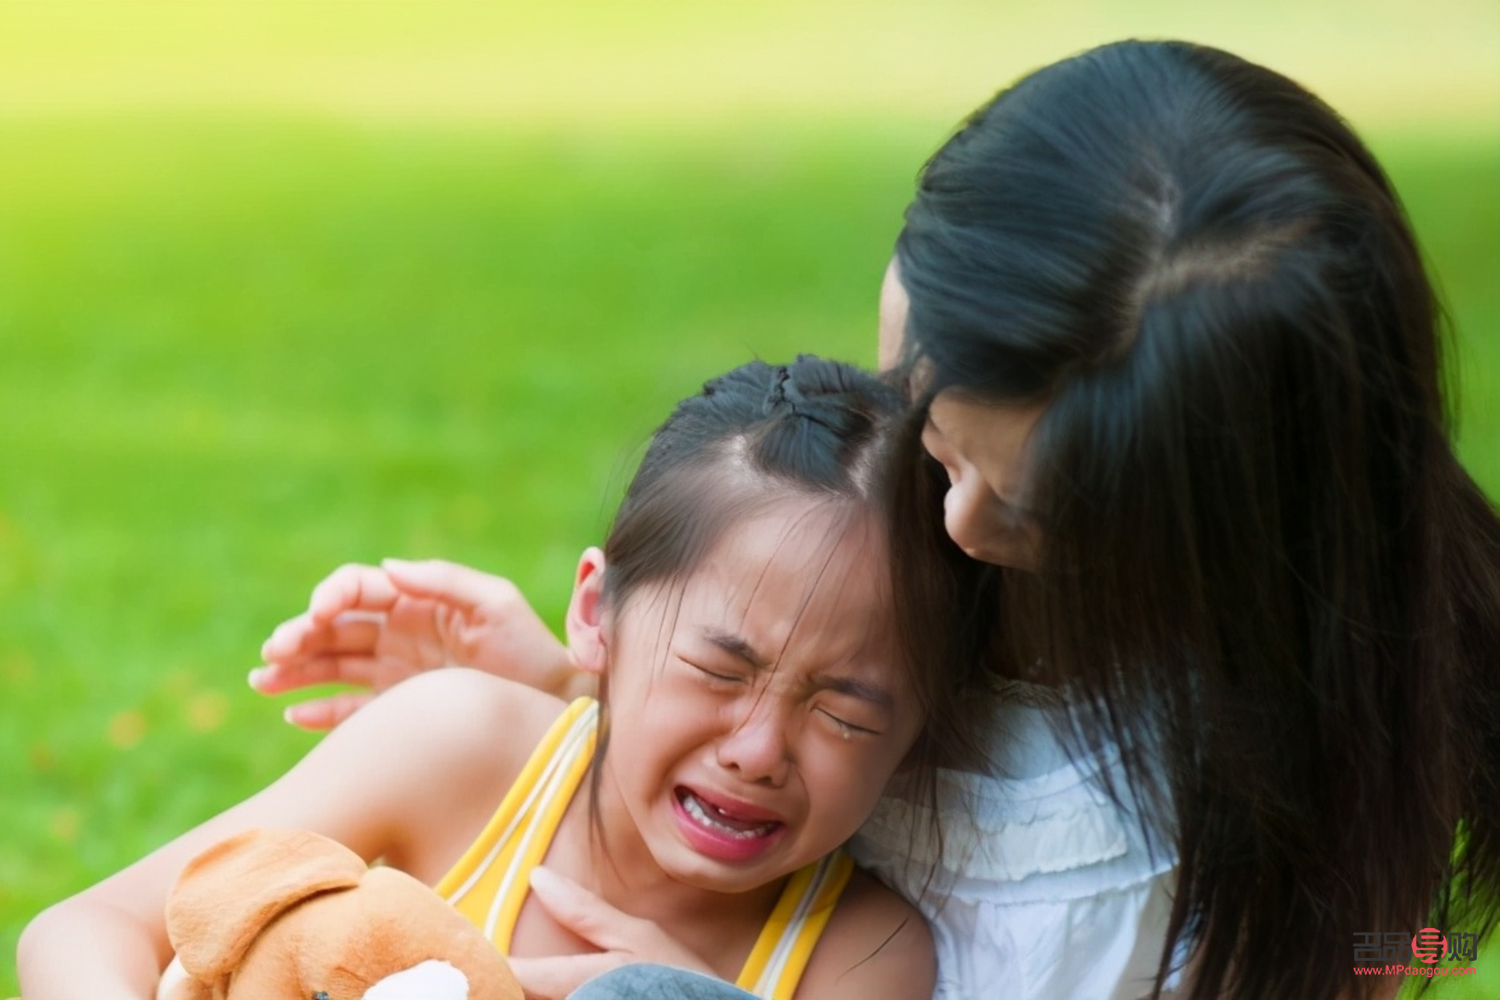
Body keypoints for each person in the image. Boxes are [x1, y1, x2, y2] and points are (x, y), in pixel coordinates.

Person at [254, 39, 1500, 1000]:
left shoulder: (1355, 685)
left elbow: (1414, 930)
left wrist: (1335, 959)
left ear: (1227, 519)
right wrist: (576, 692)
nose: (954, 521)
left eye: (1041, 510)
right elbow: (783, 728)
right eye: (934, 429)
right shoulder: (884, 560)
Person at [17, 357, 952, 1000]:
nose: (757, 751)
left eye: (845, 715)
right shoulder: (466, 749)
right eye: (718, 668)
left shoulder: (860, 953)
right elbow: (85, 929)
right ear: (597, 615)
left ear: (921, 732)